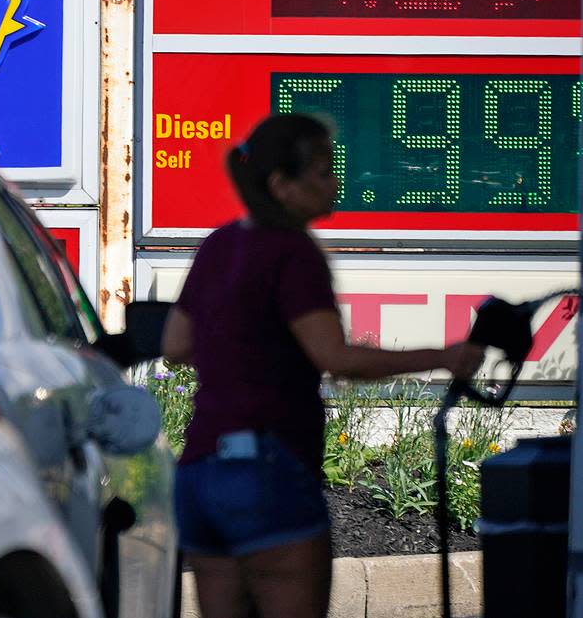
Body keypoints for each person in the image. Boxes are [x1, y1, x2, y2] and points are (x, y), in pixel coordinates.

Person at [160, 113, 485, 618]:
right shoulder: (293, 253)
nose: (335, 182)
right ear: (281, 185)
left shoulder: (220, 244)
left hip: (201, 474)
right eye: (323, 171)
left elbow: (176, 345)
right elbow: (334, 357)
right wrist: (444, 357)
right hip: (268, 471)